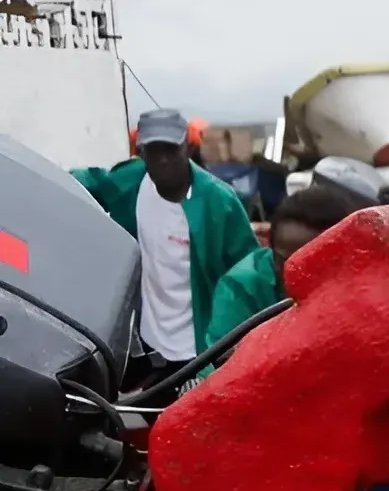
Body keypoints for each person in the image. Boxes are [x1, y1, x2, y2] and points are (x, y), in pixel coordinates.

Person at [72, 108, 260, 382]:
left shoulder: (220, 202)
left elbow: (249, 274)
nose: (163, 160)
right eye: (153, 151)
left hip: (201, 347)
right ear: (141, 152)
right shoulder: (131, 181)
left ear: (187, 147)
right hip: (146, 339)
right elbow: (86, 183)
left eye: (171, 150)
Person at [204, 184, 366, 349]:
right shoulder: (241, 288)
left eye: (314, 263)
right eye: (287, 261)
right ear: (272, 251)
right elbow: (222, 364)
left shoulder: (363, 281)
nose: (299, 273)